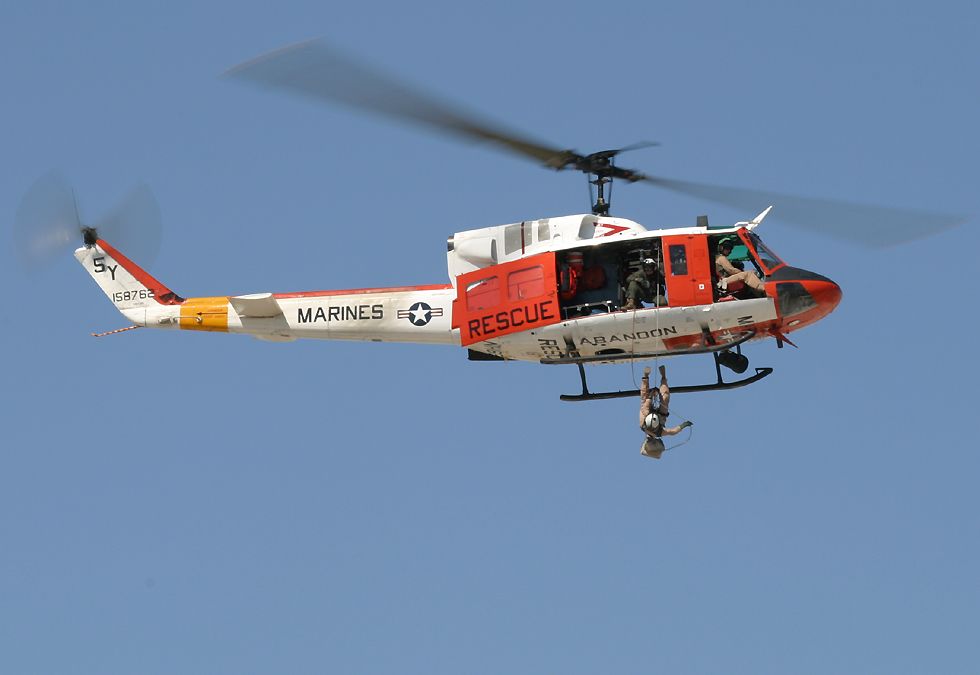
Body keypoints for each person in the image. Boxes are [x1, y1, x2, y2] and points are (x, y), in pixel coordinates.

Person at [639, 365, 693, 459]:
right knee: (665, 398)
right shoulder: (660, 432)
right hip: (661, 414)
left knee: (644, 397)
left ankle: (645, 376)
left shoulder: (643, 423)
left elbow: (646, 405)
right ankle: (663, 377)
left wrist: (651, 396)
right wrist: (683, 425)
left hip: (647, 407)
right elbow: (672, 432)